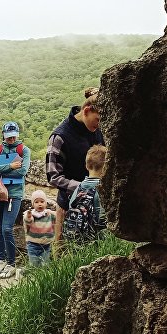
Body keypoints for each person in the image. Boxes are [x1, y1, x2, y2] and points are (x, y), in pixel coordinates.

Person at [46, 88, 104, 247]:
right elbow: (53, 176)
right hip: (68, 209)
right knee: (64, 252)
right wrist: (84, 188)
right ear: (86, 111)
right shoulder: (59, 137)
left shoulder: (96, 129)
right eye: (98, 119)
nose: (100, 124)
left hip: (98, 208)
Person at [0, 121, 31, 279]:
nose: (11, 139)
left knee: (6, 228)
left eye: (13, 136)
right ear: (3, 136)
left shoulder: (24, 150)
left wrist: (0, 167)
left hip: (14, 194)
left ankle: (11, 263)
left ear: (17, 135)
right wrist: (11, 166)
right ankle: (1, 259)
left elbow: (23, 172)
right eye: (8, 137)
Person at [65, 145, 108, 241]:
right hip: (96, 242)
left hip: (76, 238)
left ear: (86, 166)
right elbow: (103, 220)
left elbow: (71, 207)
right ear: (106, 167)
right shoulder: (102, 190)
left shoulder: (78, 188)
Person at [23, 190, 55, 268]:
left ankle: (43, 276)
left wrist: (53, 211)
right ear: (33, 204)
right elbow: (28, 221)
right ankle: (33, 273)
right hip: (33, 244)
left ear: (46, 203)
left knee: (45, 263)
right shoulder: (31, 214)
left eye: (42, 201)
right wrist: (29, 216)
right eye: (36, 202)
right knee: (34, 263)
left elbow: (58, 216)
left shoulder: (48, 213)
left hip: (46, 244)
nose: (39, 204)